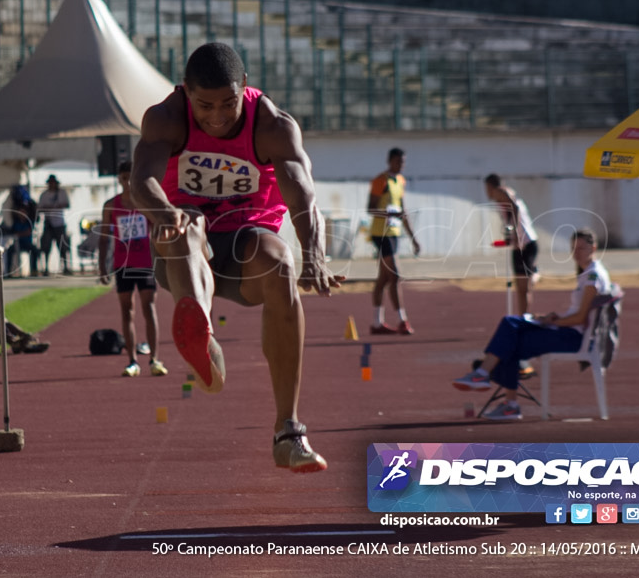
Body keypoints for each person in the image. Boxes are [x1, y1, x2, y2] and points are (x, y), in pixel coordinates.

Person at [131, 42, 343, 473]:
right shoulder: (166, 118)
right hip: (185, 250)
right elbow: (142, 180)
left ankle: (289, 432)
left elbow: (301, 189)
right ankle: (201, 336)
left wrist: (314, 254)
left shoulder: (272, 126)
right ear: (186, 92)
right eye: (205, 105)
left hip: (247, 245)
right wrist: (163, 213)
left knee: (279, 261)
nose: (217, 116)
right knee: (188, 226)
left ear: (244, 86)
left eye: (228, 103)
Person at [451, 228, 612, 420]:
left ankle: (486, 377)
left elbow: (580, 318)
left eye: (581, 248)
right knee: (511, 327)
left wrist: (555, 321)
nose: (576, 253)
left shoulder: (593, 277)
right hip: (569, 332)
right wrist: (552, 317)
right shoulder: (590, 273)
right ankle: (493, 385)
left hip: (573, 337)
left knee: (511, 334)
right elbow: (578, 315)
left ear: (593, 248)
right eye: (573, 249)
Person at [98, 161, 167, 378]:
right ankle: (132, 361)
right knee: (127, 310)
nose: (127, 182)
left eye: (130, 177)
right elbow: (103, 239)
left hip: (145, 262)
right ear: (119, 179)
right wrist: (102, 266)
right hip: (122, 264)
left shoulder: (145, 204)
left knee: (149, 307)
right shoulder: (111, 205)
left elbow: (159, 231)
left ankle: (155, 359)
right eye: (123, 177)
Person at [366, 147, 421, 335]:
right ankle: (402, 320)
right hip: (381, 234)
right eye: (398, 161)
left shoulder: (400, 181)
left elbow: (402, 211)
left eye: (403, 162)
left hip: (394, 232)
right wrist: (389, 213)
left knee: (383, 279)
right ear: (390, 161)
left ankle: (376, 323)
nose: (401, 165)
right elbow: (370, 209)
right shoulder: (380, 180)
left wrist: (413, 238)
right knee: (395, 275)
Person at [484, 173, 540, 316]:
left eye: (486, 188)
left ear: (491, 186)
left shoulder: (501, 192)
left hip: (526, 243)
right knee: (520, 287)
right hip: (518, 246)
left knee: (525, 286)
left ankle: (535, 274)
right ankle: (522, 316)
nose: (486, 192)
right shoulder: (502, 197)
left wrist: (514, 231)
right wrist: (509, 235)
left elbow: (515, 208)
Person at [37, 175, 71, 276]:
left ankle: (65, 266)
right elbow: (40, 208)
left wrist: (57, 206)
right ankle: (46, 267)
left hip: (59, 223)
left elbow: (67, 204)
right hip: (48, 223)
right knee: (46, 246)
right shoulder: (44, 195)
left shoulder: (61, 193)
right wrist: (48, 208)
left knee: (63, 246)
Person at [5, 185, 39, 277]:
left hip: (27, 243)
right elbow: (13, 233)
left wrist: (19, 234)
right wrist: (19, 234)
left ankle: (34, 271)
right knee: (9, 251)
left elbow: (29, 232)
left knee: (35, 251)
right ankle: (8, 272)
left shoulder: (29, 222)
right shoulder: (16, 222)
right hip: (17, 243)